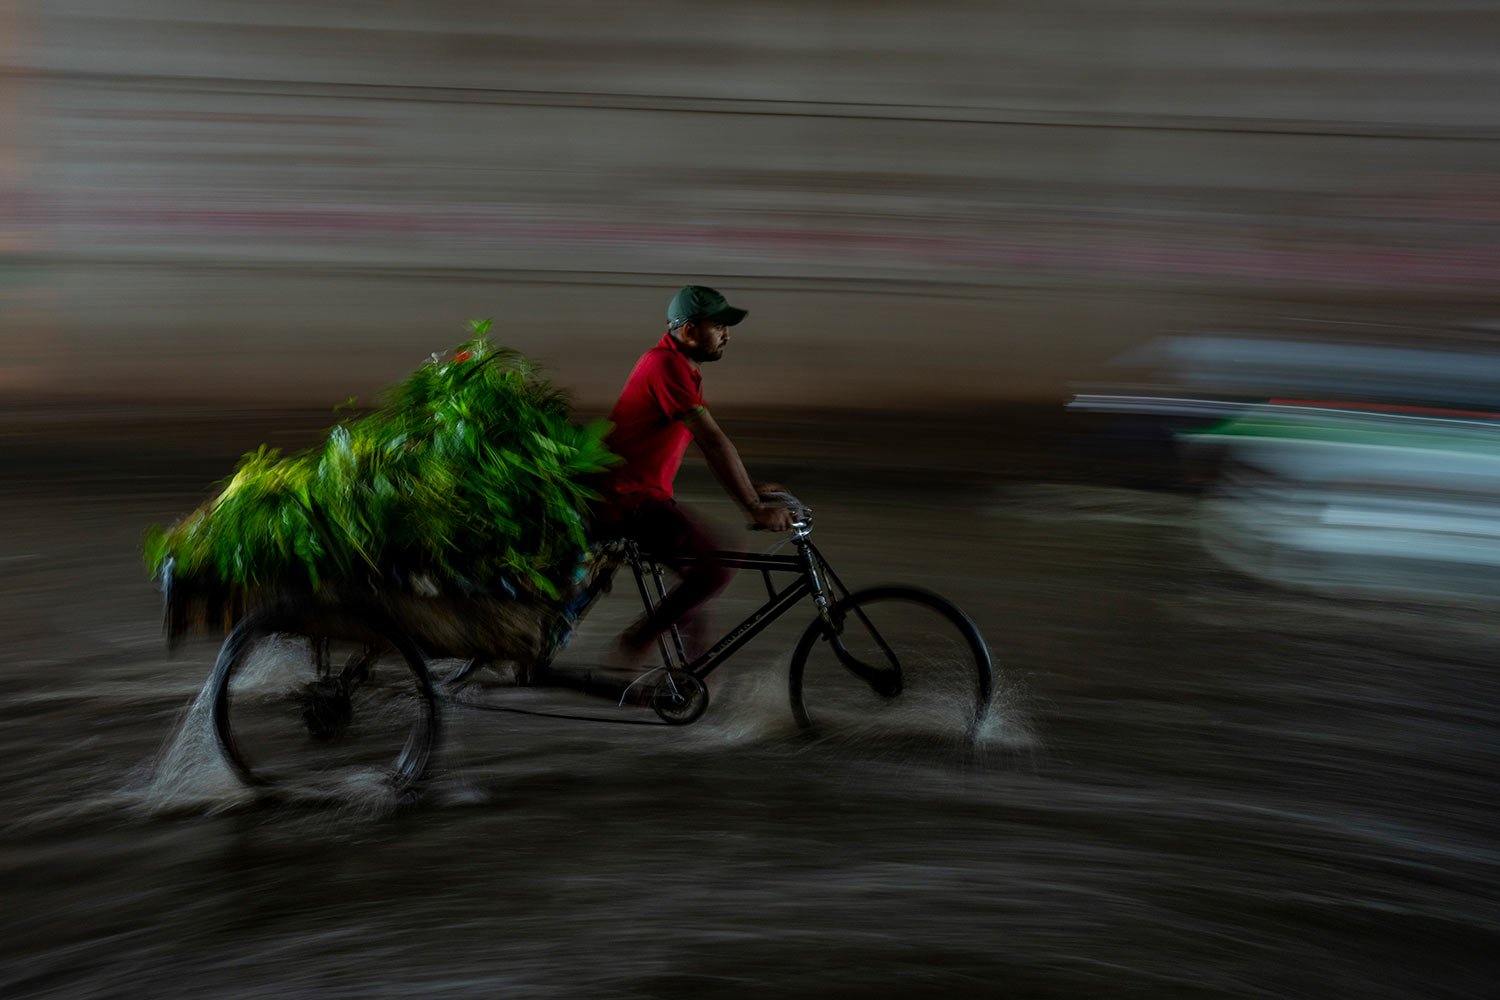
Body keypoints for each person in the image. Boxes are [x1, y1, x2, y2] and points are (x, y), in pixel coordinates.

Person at [593, 285, 794, 668]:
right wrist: (752, 506)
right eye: (718, 325)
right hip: (626, 501)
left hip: (643, 498)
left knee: (697, 578)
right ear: (687, 331)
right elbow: (714, 444)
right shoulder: (664, 366)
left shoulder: (679, 368)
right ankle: (630, 650)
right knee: (716, 567)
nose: (727, 335)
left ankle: (691, 681)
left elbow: (713, 445)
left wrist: (751, 489)